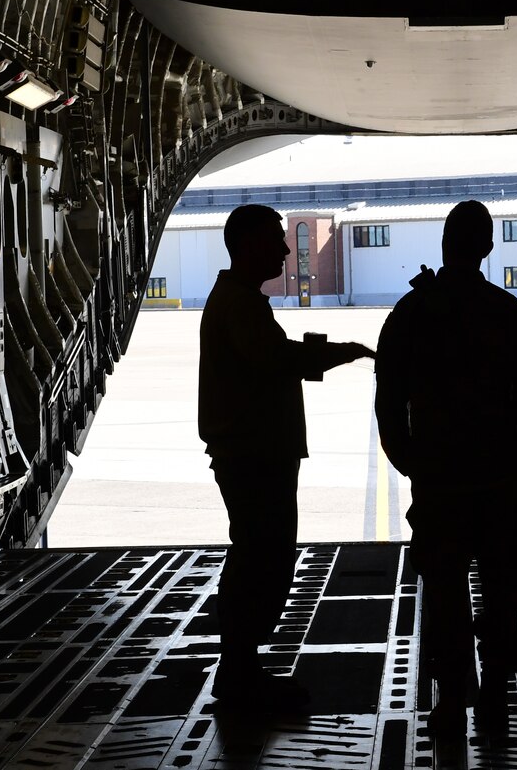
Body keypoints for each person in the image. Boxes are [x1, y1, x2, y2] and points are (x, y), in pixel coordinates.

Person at [374, 200, 517, 737]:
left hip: (441, 480)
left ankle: (451, 702)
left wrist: (409, 461)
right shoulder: (509, 313)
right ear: (488, 248)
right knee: (501, 597)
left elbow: (388, 399)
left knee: (445, 597)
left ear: (445, 245)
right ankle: (494, 700)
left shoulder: (411, 313)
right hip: (499, 481)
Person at [198, 204, 375, 712]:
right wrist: (346, 350)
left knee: (257, 558)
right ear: (249, 245)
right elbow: (280, 360)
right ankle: (239, 675)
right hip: (254, 458)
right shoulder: (241, 305)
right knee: (260, 560)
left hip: (255, 454)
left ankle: (241, 670)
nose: (282, 249)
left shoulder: (239, 300)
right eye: (275, 240)